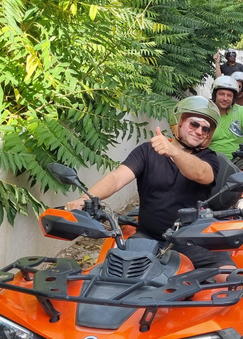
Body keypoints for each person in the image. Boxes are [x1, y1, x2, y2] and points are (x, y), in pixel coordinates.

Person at [66, 96, 233, 268]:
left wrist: (173, 152)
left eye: (206, 129)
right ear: (180, 122)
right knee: (114, 277)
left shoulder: (209, 158)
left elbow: (201, 174)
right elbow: (116, 178)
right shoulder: (147, 151)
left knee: (229, 277)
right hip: (148, 238)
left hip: (192, 240)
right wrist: (84, 199)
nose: (199, 131)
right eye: (194, 124)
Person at [207, 76, 243, 170]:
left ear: (234, 97)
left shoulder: (242, 111)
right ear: (215, 95)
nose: (225, 98)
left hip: (239, 158)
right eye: (221, 94)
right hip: (210, 158)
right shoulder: (206, 113)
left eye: (229, 95)